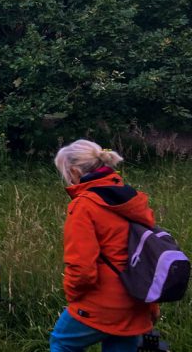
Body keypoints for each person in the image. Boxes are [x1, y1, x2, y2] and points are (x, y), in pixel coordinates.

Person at [50, 139, 158, 352]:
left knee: (62, 342)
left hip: (102, 304)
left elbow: (82, 270)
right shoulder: (131, 198)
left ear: (74, 171)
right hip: (137, 301)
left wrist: (73, 298)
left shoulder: (84, 206)